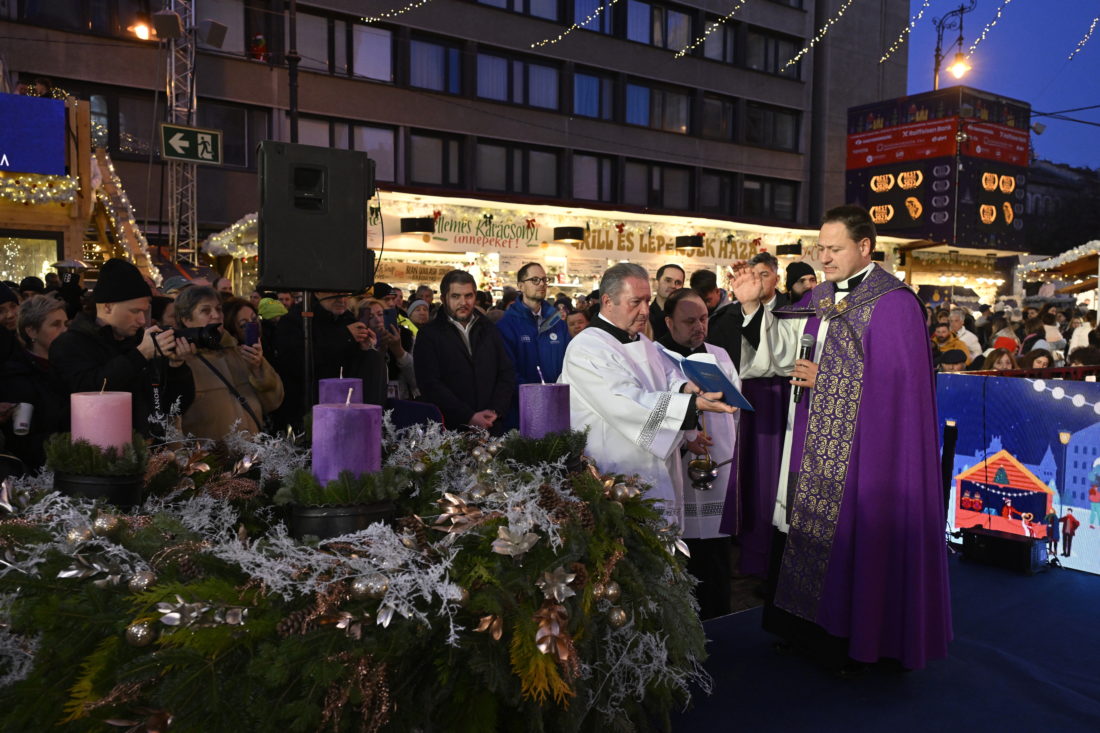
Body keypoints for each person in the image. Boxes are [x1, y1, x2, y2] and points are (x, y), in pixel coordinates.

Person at [733, 204, 951, 671]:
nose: (824, 258)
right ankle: (805, 633)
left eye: (834, 249)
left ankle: (856, 641)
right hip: (809, 443)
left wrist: (828, 379)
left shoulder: (894, 303)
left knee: (854, 537)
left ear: (865, 247)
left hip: (864, 454)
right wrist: (753, 306)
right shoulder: (821, 297)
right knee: (796, 529)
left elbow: (898, 390)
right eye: (820, 249)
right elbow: (777, 356)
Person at [558, 263, 736, 528]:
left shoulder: (643, 343)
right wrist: (690, 405)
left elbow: (668, 378)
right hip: (617, 469)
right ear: (608, 301)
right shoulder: (587, 348)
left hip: (656, 466)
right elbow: (626, 403)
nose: (644, 310)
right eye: (635, 302)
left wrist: (687, 388)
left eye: (647, 301)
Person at [656, 288, 740, 620]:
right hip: (675, 466)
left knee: (717, 553)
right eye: (689, 321)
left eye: (703, 318)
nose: (699, 327)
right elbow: (650, 408)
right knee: (681, 551)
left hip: (717, 462)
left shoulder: (719, 355)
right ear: (668, 321)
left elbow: (736, 410)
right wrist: (683, 437)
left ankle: (719, 618)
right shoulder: (656, 356)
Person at [49, 258, 195, 436]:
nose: (142, 320)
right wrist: (139, 356)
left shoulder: (141, 341)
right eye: (135, 311)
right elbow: (89, 393)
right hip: (95, 453)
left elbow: (174, 406)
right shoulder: (69, 344)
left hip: (148, 453)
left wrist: (177, 368)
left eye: (145, 312)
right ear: (108, 307)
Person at [413, 270, 515, 435]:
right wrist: (468, 416)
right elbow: (430, 384)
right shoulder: (429, 334)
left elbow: (506, 373)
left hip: (491, 428)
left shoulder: (489, 329)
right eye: (456, 296)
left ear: (475, 296)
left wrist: (495, 410)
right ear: (444, 298)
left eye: (468, 296)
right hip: (449, 432)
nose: (463, 302)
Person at [174, 288, 283, 439]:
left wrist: (258, 369)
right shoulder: (179, 361)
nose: (216, 315)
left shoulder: (238, 352)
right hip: (209, 459)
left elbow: (273, 403)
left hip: (251, 456)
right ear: (186, 319)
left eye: (219, 309)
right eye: (206, 311)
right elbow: (172, 423)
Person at [272, 290, 384, 429]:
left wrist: (365, 348)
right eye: (336, 294)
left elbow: (354, 366)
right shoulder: (294, 320)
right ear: (318, 292)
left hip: (345, 414)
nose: (342, 300)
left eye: (346, 295)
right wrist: (344, 336)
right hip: (304, 413)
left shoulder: (348, 319)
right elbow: (296, 362)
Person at [497, 262, 570, 429]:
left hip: (557, 407)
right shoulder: (507, 325)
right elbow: (507, 372)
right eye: (535, 280)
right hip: (521, 412)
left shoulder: (557, 322)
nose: (542, 284)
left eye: (545, 280)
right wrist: (535, 397)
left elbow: (568, 363)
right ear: (521, 286)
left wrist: (558, 394)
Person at [0, 295, 70, 469]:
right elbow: (22, 440)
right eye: (55, 325)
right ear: (32, 331)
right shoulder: (17, 376)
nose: (64, 331)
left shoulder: (67, 366)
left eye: (66, 324)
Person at [359, 298, 418, 399]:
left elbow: (417, 380)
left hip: (402, 402)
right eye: (370, 317)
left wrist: (398, 351)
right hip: (370, 402)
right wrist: (376, 351)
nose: (377, 320)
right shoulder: (358, 343)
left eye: (380, 314)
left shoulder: (405, 337)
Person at [648, 264, 685, 343]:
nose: (673, 286)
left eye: (678, 282)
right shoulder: (644, 316)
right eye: (668, 280)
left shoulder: (687, 318)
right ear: (657, 283)